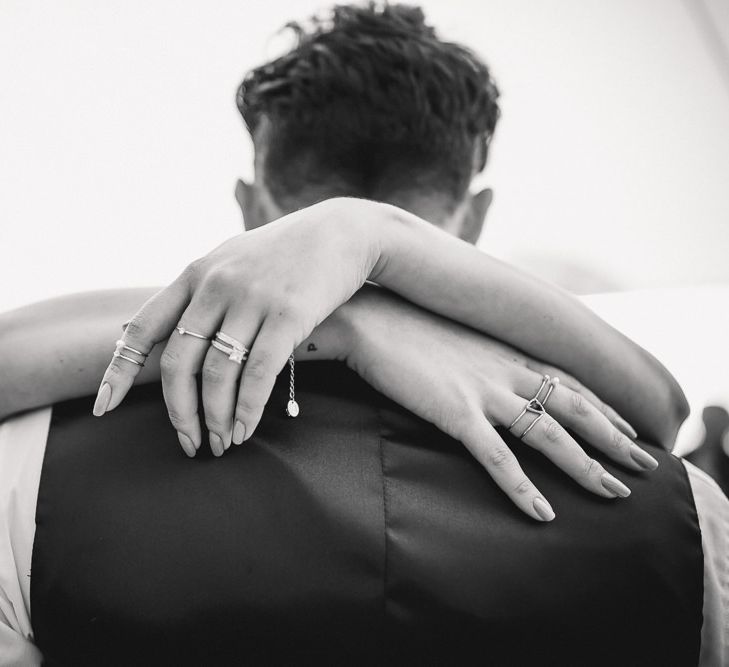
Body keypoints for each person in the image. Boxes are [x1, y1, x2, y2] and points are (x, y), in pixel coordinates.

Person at [0, 4, 726, 664]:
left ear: (250, 210)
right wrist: (367, 282)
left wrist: (357, 265)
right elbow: (663, 410)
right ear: (471, 219)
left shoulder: (26, 473)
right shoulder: (685, 512)